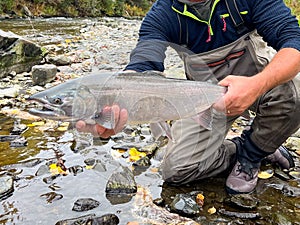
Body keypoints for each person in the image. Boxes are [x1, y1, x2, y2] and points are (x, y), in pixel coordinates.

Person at [76, 0, 300, 194]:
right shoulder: (162, 14)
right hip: (201, 97)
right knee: (177, 169)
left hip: (258, 79)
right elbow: (142, 67)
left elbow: (294, 41)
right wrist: (114, 99)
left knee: (296, 93)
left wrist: (256, 85)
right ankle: (246, 146)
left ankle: (252, 156)